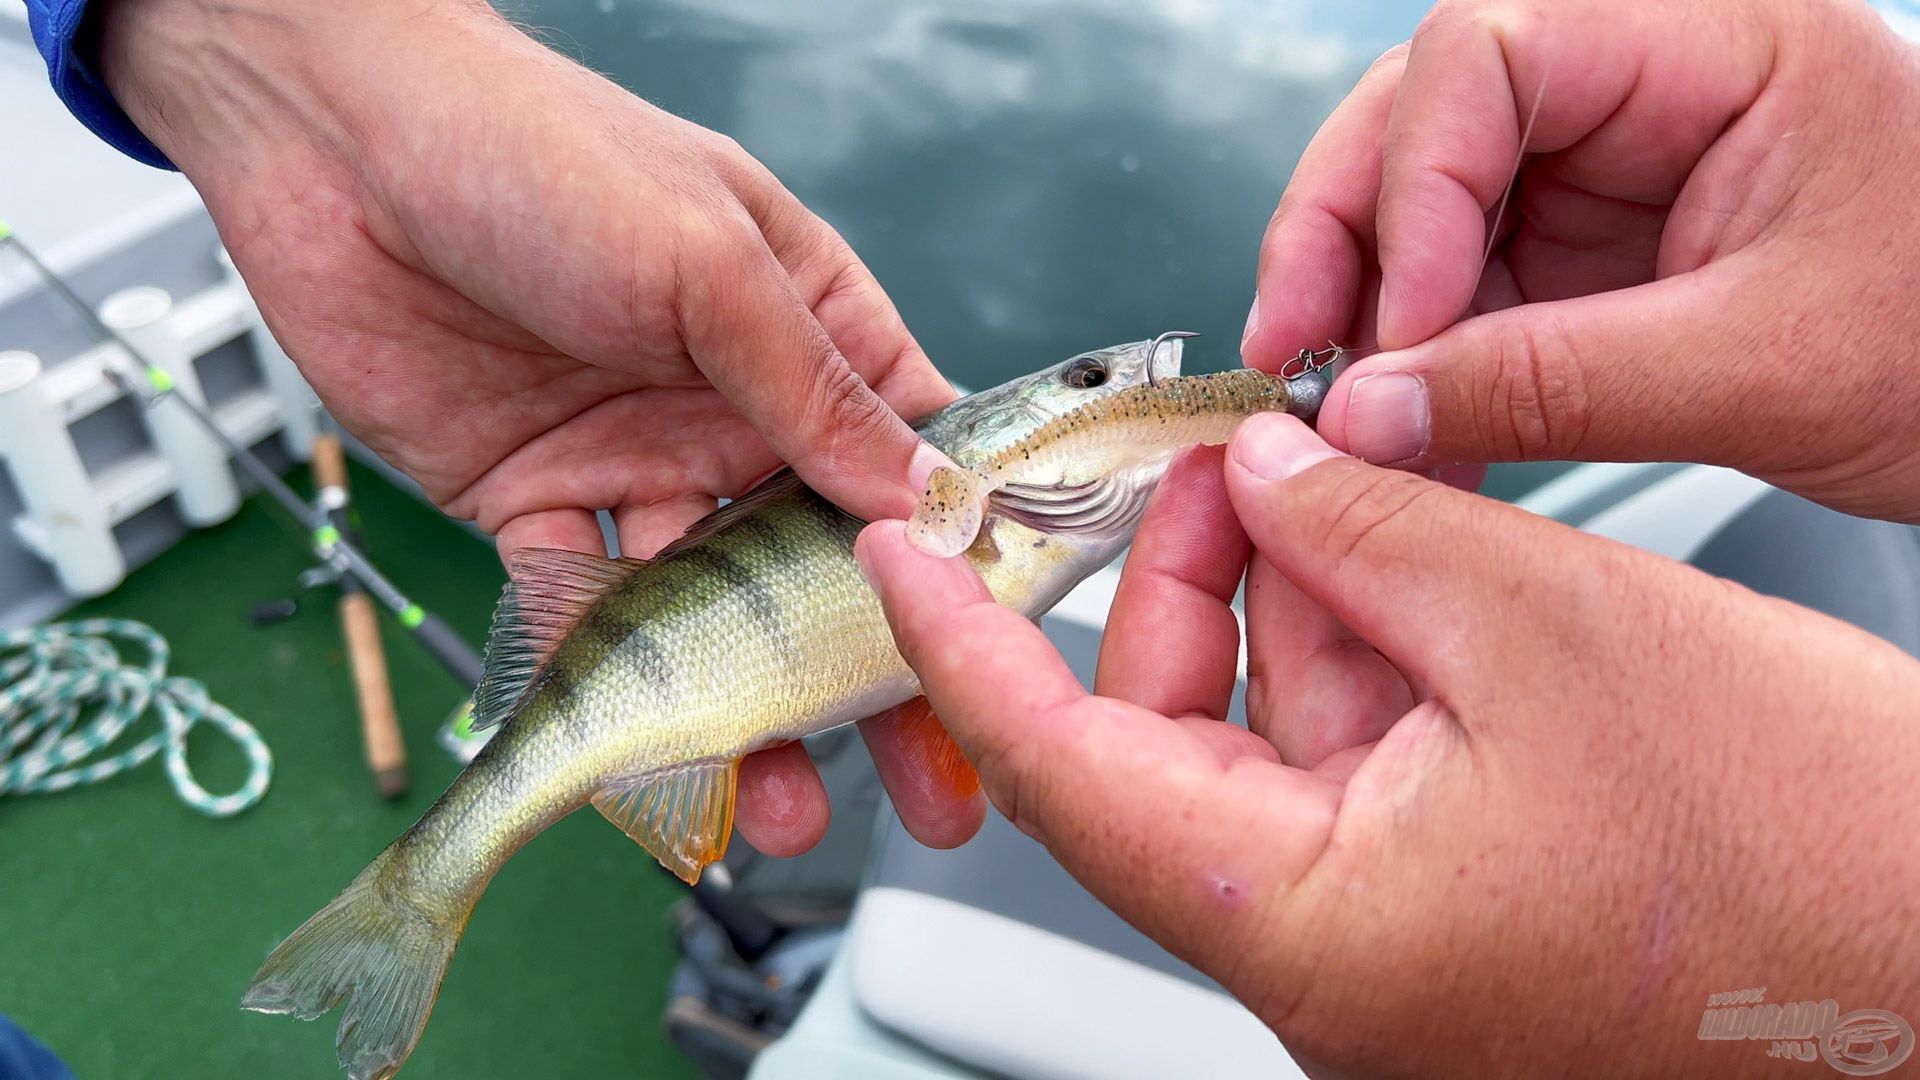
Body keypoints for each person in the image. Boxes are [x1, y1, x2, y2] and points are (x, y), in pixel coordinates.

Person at [31, 0, 1920, 1074]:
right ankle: (418, 897)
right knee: (827, 776)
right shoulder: (960, 485)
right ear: (1007, 449)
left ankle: (424, 888)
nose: (1133, 381)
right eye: (1097, 375)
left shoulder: (1034, 502)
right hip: (732, 649)